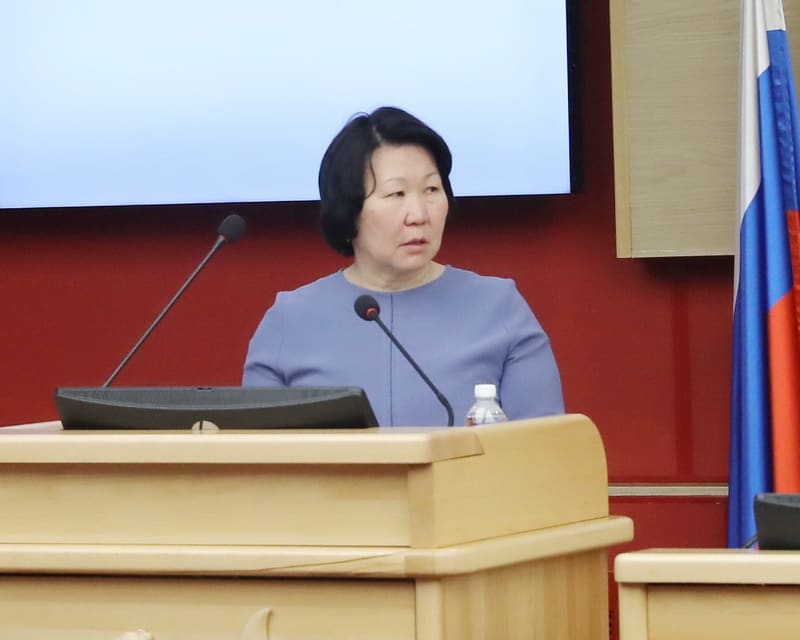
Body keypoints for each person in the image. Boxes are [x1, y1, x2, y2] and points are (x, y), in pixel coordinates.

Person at [243, 106, 564, 426]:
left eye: (431, 190)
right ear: (348, 208)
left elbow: (545, 446)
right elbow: (255, 452)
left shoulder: (498, 307)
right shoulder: (291, 319)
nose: (419, 215)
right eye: (396, 193)